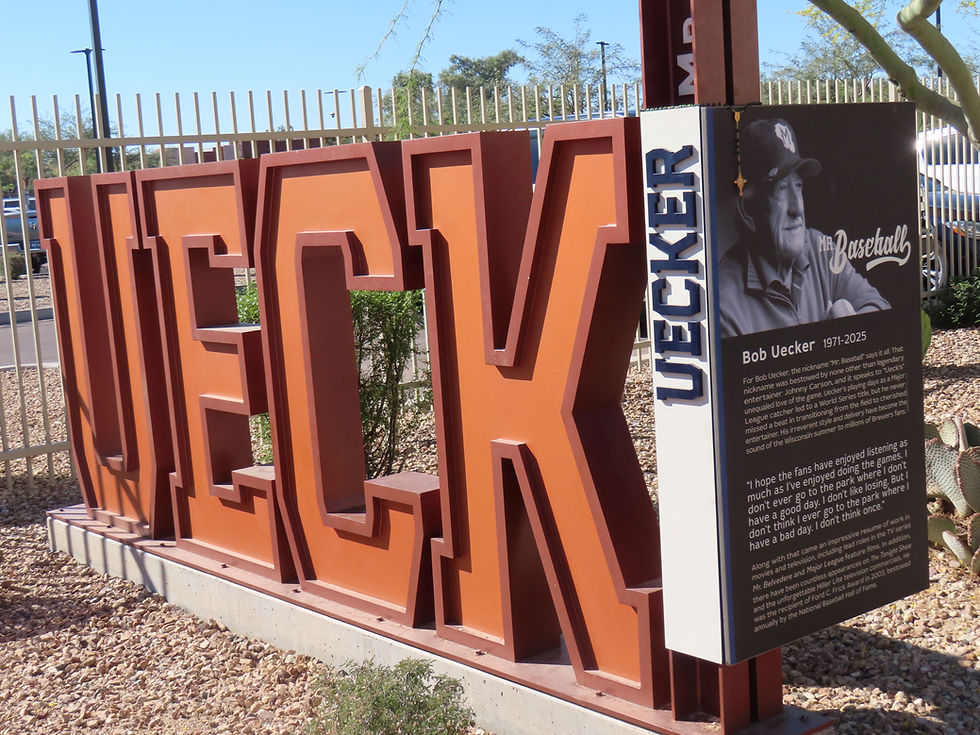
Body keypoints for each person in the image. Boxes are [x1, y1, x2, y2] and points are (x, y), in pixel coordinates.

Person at [718, 117, 889, 337]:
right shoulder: (725, 303)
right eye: (780, 190)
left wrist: (852, 325)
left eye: (797, 186)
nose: (797, 209)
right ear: (747, 211)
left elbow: (878, 305)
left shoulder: (819, 249)